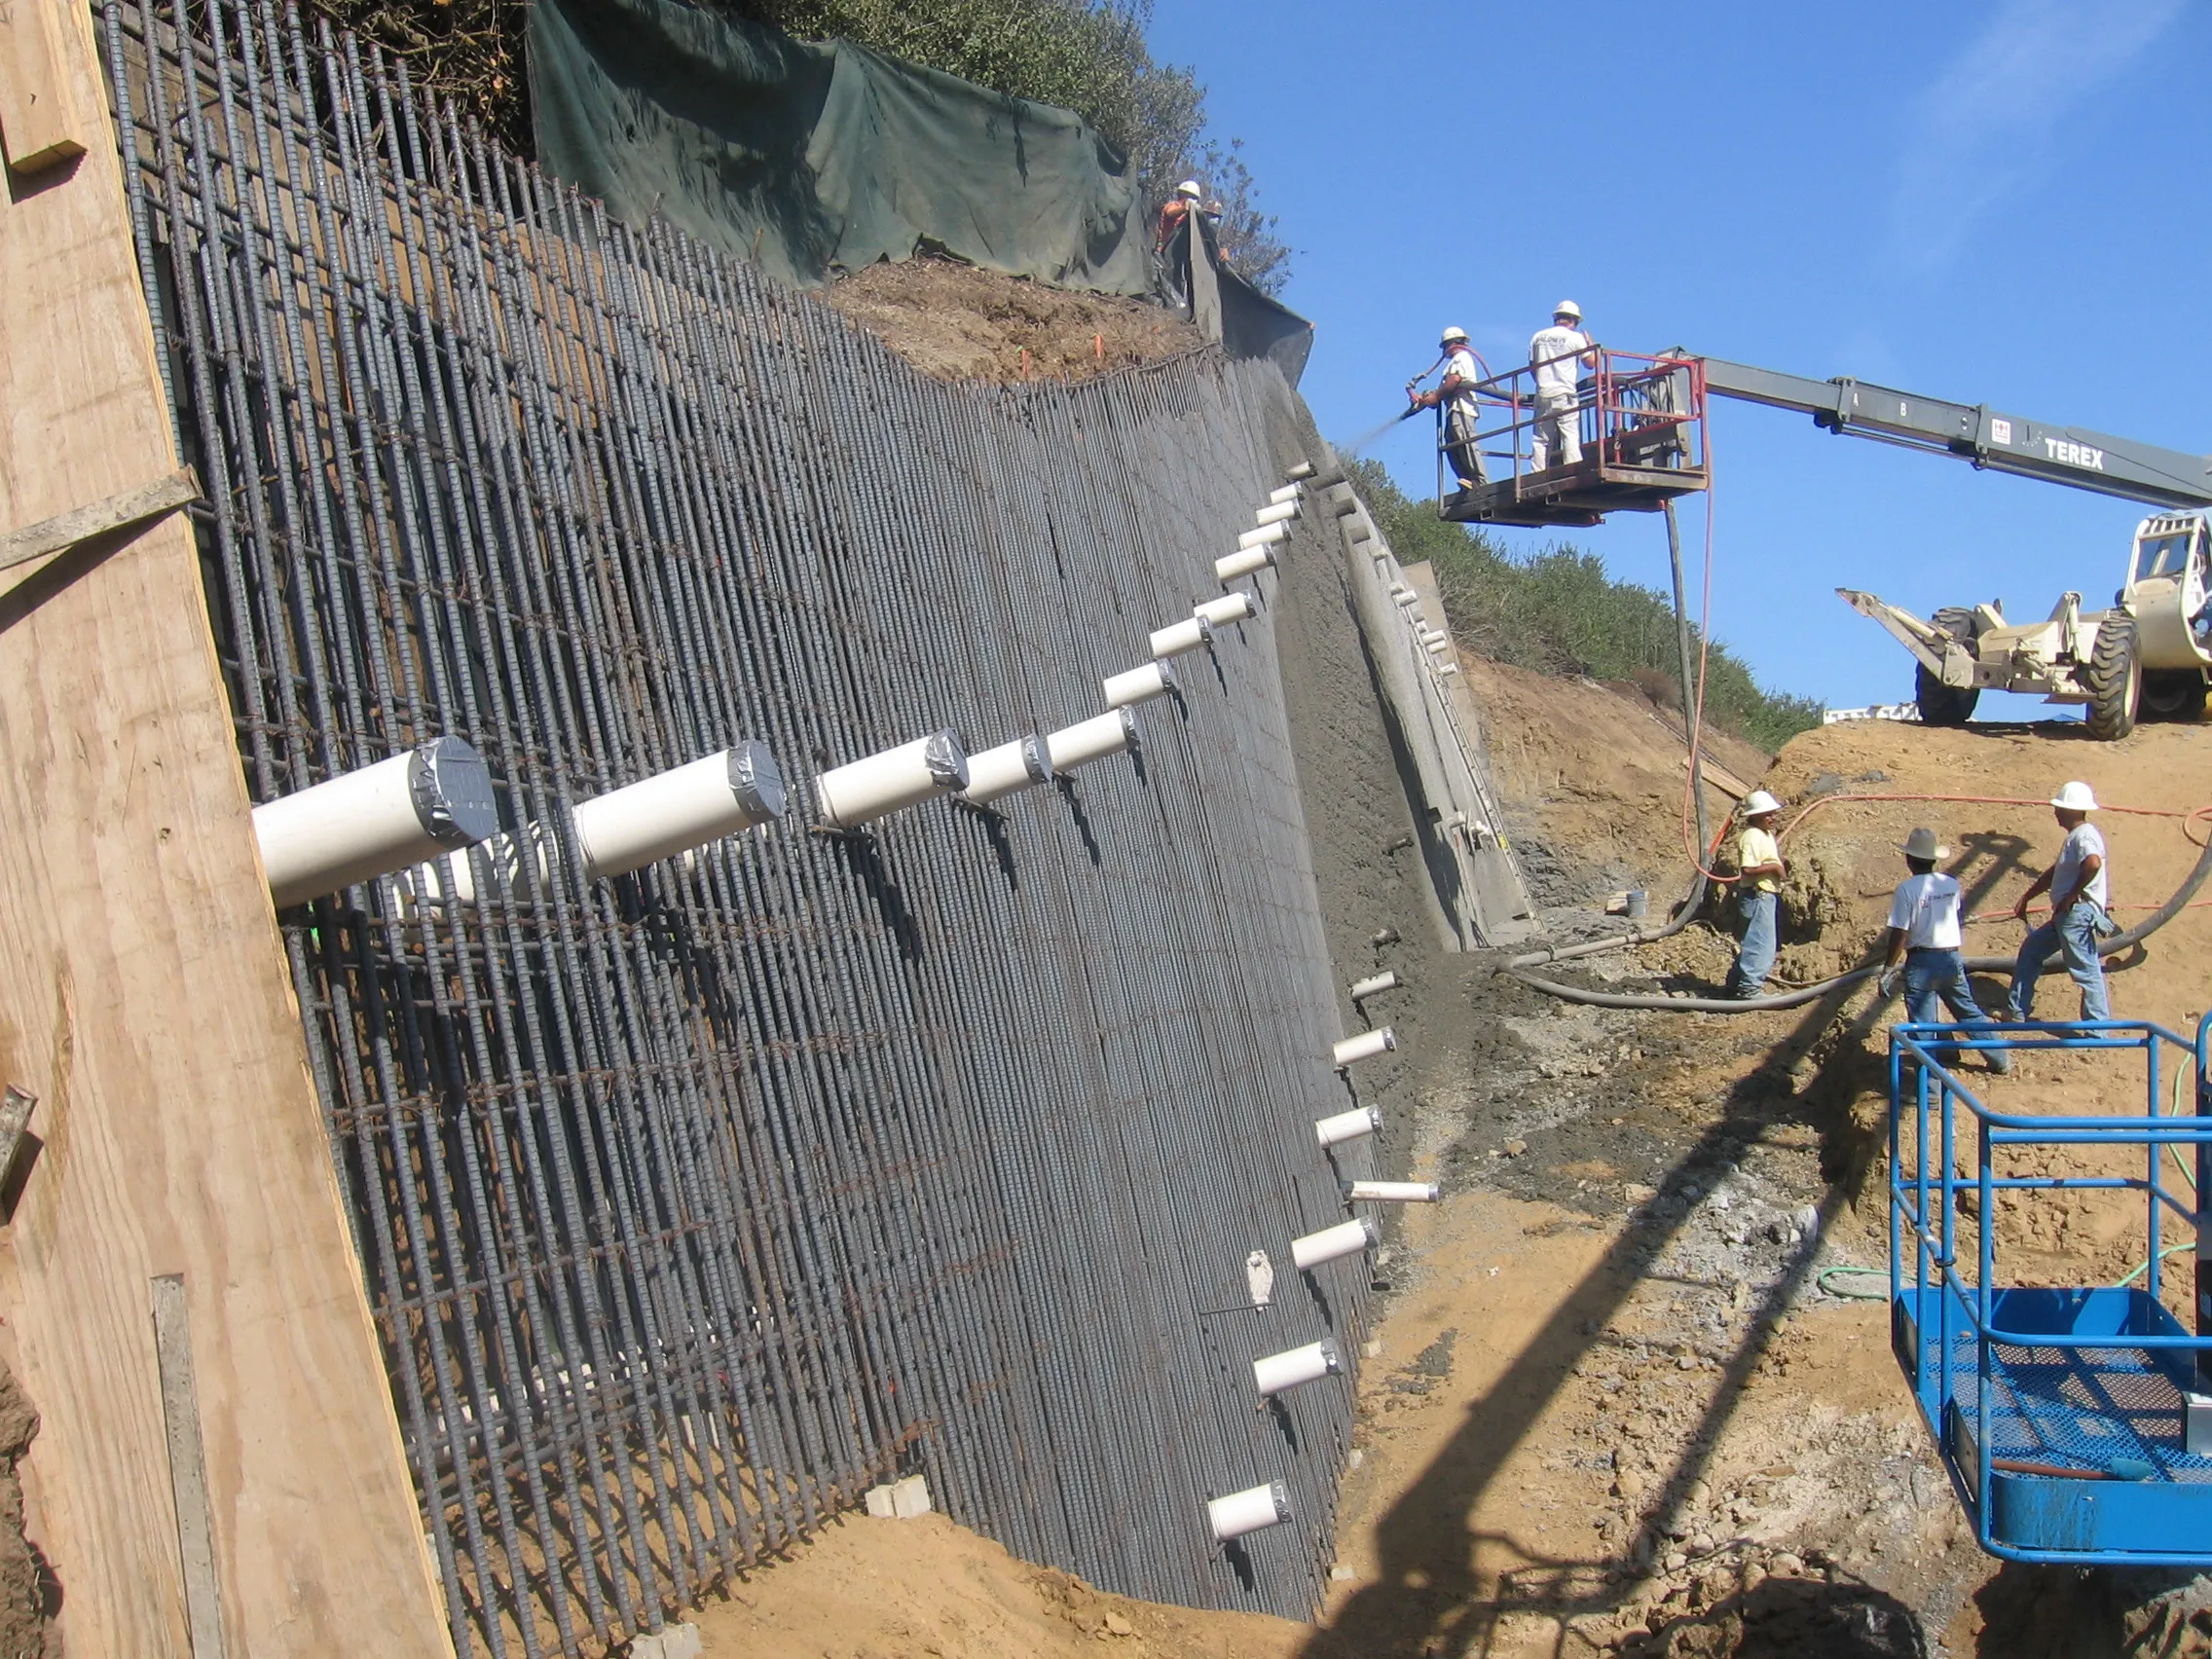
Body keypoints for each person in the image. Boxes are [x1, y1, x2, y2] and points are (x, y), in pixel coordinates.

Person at [1878, 827, 2009, 1075]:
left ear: (1909, 859)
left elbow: (1900, 932)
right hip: (1950, 957)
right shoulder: (1951, 885)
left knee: (1923, 1028)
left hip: (1921, 960)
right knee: (1968, 1011)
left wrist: (1888, 968)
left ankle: (1931, 1092)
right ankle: (1999, 1059)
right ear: (1933, 859)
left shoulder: (1906, 890)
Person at [2006, 780, 2115, 1024]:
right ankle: (2017, 1011)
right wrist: (2027, 897)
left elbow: (2093, 863)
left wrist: (2072, 895)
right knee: (2032, 950)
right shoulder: (2075, 838)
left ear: (2071, 810)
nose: (2055, 812)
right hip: (2066, 915)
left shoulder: (2085, 835)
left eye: (2059, 807)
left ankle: (2097, 1029)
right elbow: (2054, 873)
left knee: (2086, 970)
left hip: (2075, 913)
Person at [1408, 326, 1489, 491]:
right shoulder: (1455, 361)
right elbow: (1443, 390)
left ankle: (1479, 481)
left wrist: (1436, 396)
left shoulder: (1462, 357)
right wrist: (1426, 399)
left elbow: (1455, 379)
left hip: (1462, 409)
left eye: (1445, 346)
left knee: (1465, 442)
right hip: (1453, 410)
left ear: (1451, 344)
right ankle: (1466, 479)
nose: (1444, 351)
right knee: (1452, 445)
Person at [1724, 790, 1787, 998]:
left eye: (1772, 813)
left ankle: (1735, 983)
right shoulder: (1751, 836)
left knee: (1754, 941)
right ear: (1755, 816)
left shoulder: (1765, 835)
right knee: (1761, 944)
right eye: (1767, 814)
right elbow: (1748, 869)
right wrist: (1774, 868)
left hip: (1764, 895)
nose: (1772, 818)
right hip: (1757, 895)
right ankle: (1750, 989)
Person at [1528, 300, 1596, 470]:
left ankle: (1537, 473)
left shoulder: (1538, 336)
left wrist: (1543, 380)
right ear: (1574, 321)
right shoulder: (1575, 338)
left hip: (1543, 393)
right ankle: (1573, 469)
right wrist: (1591, 344)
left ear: (1556, 318)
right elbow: (1591, 363)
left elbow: (1532, 366)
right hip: (1565, 393)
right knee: (1569, 433)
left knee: (1541, 439)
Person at [1154, 180, 1202, 303]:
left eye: (1191, 197)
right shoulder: (1173, 206)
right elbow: (1170, 213)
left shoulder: (1192, 218)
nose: (1186, 199)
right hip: (1163, 252)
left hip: (1179, 257)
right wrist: (1183, 209)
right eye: (1184, 196)